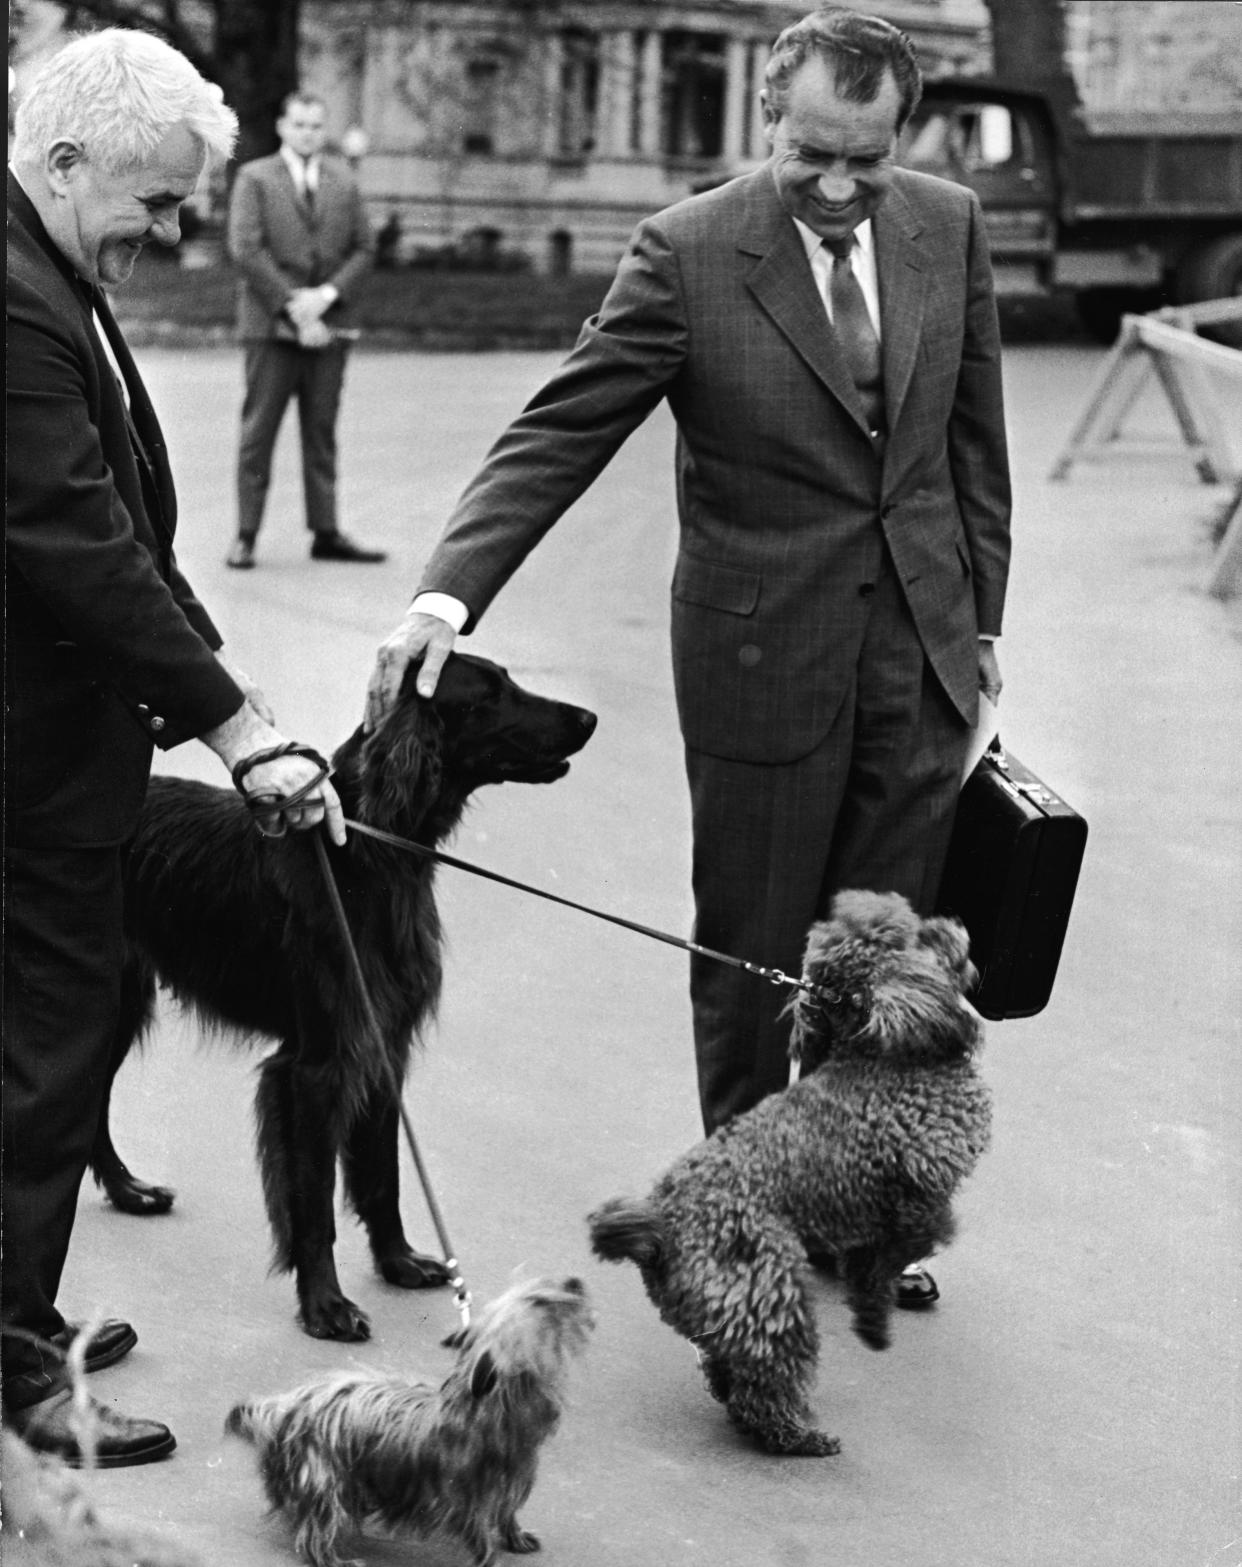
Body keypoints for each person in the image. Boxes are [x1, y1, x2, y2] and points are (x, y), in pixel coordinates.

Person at [366, 9, 1010, 1297]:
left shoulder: (949, 225)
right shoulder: (691, 251)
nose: (837, 188)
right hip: (763, 667)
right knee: (755, 957)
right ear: (767, 119)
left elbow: (972, 448)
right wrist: (446, 600)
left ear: (906, 136)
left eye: (866, 160)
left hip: (921, 663)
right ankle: (740, 1219)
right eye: (812, 153)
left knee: (886, 969)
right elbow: (560, 430)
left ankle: (861, 1211)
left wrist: (981, 620)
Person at [5, 28, 346, 1467]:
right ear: (68, 159)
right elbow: (69, 538)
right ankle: (19, 1364)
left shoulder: (53, 273)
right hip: (29, 766)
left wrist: (241, 707)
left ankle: (16, 1309)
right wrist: (233, 724)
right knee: (46, 1053)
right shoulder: (17, 302)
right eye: (155, 199)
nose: (173, 227)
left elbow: (124, 528)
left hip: (54, 745)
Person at [224, 90, 384, 569]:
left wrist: (327, 298)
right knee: (259, 432)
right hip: (271, 325)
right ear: (281, 126)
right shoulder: (254, 178)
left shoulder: (344, 180)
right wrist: (297, 308)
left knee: (321, 431)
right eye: (299, 124)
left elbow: (365, 249)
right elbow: (245, 250)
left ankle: (326, 531)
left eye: (316, 125)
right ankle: (246, 534)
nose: (308, 133)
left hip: (330, 324)